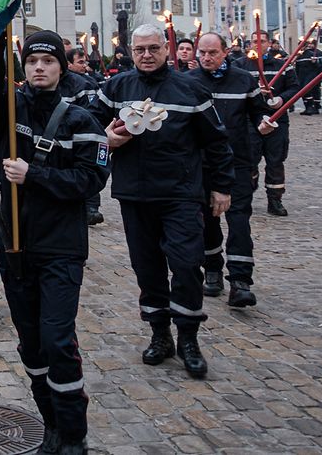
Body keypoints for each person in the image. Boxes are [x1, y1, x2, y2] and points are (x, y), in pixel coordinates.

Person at [0, 31, 109, 455]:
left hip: (60, 248)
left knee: (57, 340)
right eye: (32, 60)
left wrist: (34, 175)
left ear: (61, 67)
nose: (39, 68)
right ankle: (51, 423)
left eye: (48, 61)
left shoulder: (82, 120)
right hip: (15, 246)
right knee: (32, 345)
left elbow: (92, 180)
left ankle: (74, 434)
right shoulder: (10, 109)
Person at [91, 24, 235, 379]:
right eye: (140, 49)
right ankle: (159, 334)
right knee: (147, 269)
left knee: (186, 265)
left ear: (166, 50)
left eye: (153, 48)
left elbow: (216, 141)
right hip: (135, 194)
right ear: (131, 51)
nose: (146, 55)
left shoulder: (191, 89)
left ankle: (189, 337)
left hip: (181, 194)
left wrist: (221, 187)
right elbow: (87, 129)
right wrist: (105, 138)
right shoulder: (116, 87)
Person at [189, 33, 276, 307]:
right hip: (201, 163)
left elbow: (258, 112)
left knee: (238, 219)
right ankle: (212, 270)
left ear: (225, 52)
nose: (207, 58)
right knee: (207, 219)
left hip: (237, 161)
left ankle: (240, 281)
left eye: (213, 52)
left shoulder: (243, 80)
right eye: (202, 52)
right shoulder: (189, 82)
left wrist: (264, 123)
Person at [242, 31, 298, 216]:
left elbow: (294, 88)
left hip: (277, 119)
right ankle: (246, 194)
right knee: (249, 160)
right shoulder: (240, 66)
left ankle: (275, 200)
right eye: (254, 41)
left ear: (269, 43)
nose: (257, 44)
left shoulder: (281, 65)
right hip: (250, 120)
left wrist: (281, 99)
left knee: (275, 160)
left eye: (262, 41)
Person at [62, 48, 103, 226]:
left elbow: (93, 113)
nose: (85, 65)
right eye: (80, 62)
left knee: (87, 167)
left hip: (82, 135)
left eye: (85, 62)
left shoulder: (86, 83)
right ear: (68, 63)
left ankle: (91, 207)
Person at [294, 39, 322, 115]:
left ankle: (311, 107)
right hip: (301, 76)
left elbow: (320, 66)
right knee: (303, 92)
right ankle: (307, 107)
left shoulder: (312, 54)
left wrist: (315, 62)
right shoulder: (299, 56)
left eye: (303, 46)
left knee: (307, 91)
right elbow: (297, 68)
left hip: (310, 76)